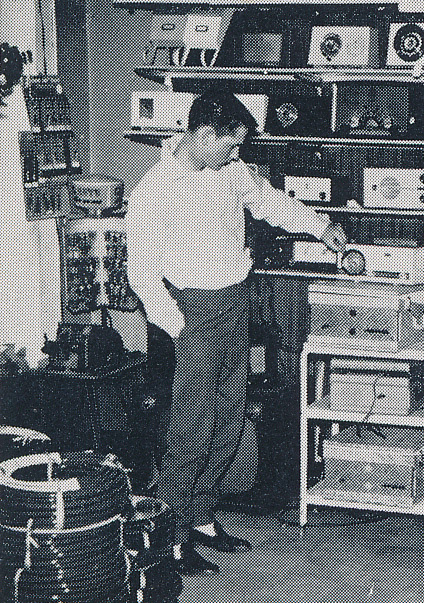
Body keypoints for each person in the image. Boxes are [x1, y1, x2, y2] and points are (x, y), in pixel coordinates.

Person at [125, 90, 347, 575]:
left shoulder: (229, 170)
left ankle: (201, 517)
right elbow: (139, 273)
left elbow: (267, 201)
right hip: (194, 312)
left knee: (228, 420)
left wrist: (319, 226)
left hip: (235, 302)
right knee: (192, 429)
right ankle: (170, 536)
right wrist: (179, 326)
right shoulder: (154, 190)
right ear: (203, 135)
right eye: (230, 145)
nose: (236, 154)